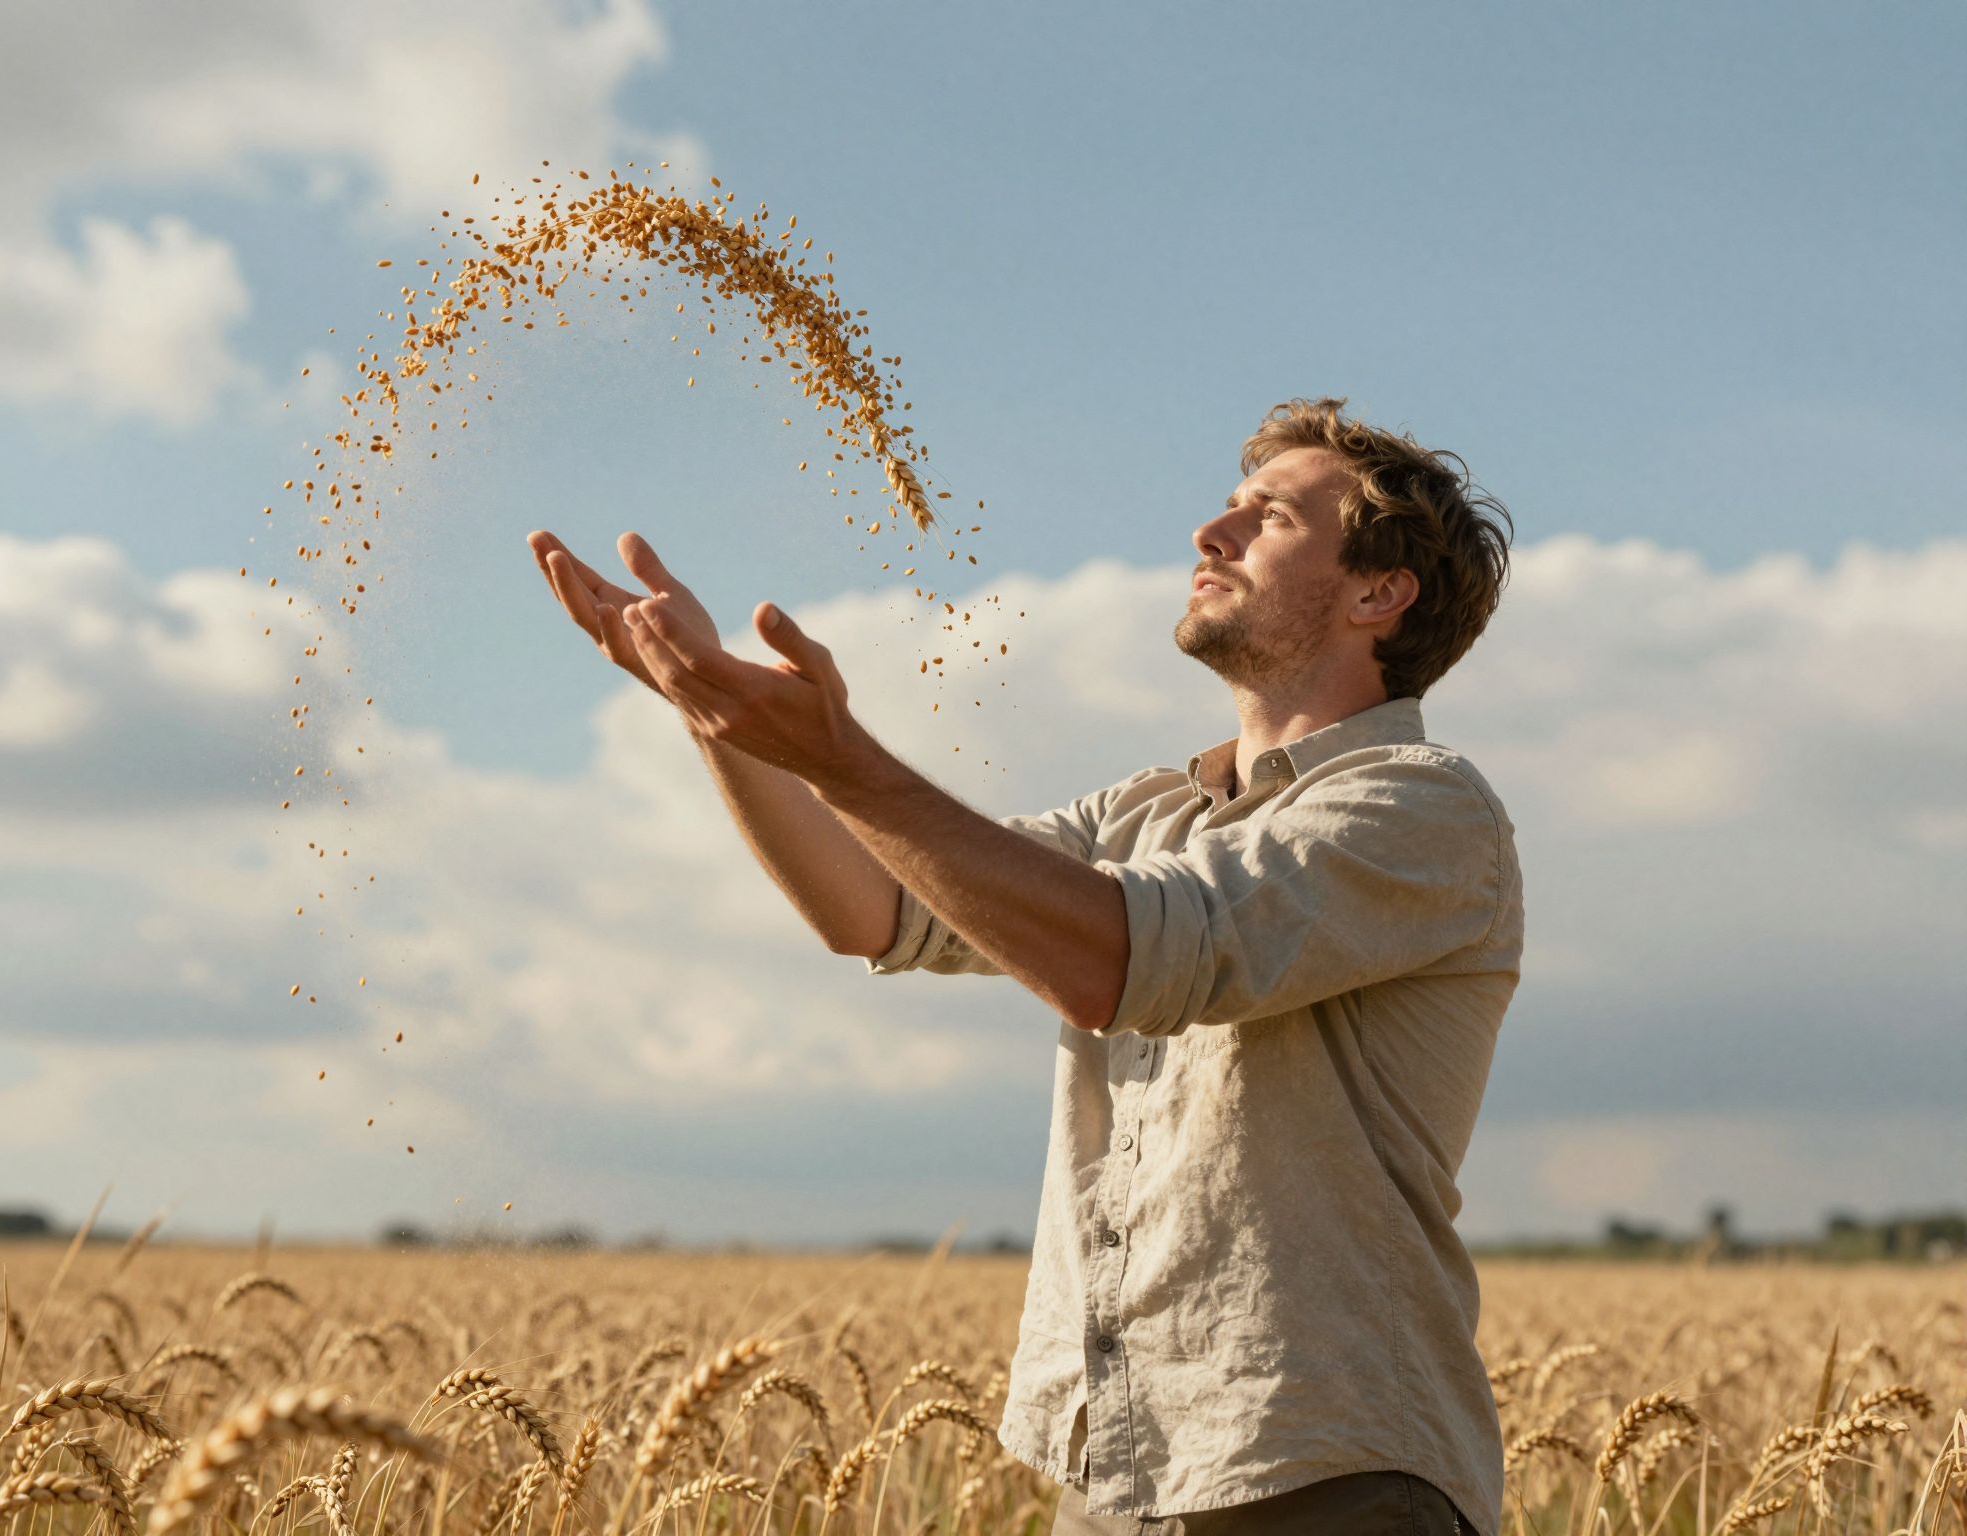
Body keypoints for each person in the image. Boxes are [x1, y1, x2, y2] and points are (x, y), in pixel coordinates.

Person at [527, 396, 1520, 1535]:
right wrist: (714, 713)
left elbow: (1123, 957)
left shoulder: (1421, 808)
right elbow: (879, 909)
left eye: (1270, 518)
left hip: (1320, 1474)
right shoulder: (1142, 813)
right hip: (1117, 1474)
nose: (1211, 531)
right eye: (1229, 507)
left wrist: (843, 761)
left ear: (1376, 592)